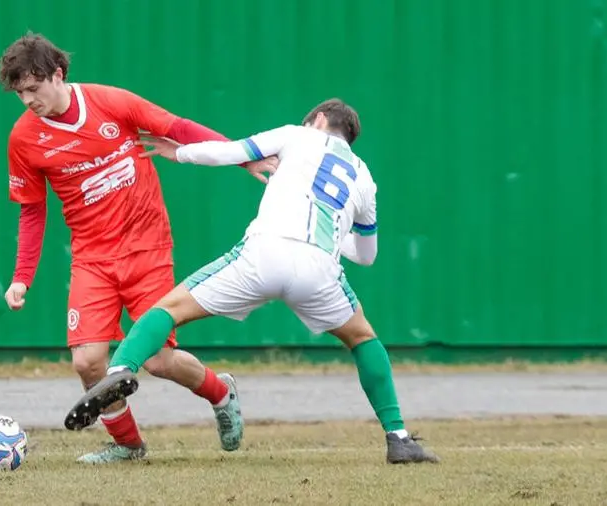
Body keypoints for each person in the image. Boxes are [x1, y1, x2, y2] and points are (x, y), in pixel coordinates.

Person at [63, 98, 440, 464]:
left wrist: (177, 152)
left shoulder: (298, 134)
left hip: (265, 253)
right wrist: (328, 228)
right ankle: (399, 439)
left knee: (168, 310)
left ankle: (117, 372)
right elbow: (367, 255)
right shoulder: (364, 177)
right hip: (319, 267)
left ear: (320, 119)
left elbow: (228, 152)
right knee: (363, 339)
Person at [0, 32, 277, 464]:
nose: (27, 100)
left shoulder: (112, 102)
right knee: (88, 363)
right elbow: (32, 211)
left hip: (147, 247)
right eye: (20, 93)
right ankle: (129, 446)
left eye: (33, 88)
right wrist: (21, 278)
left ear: (58, 73)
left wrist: (245, 156)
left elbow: (178, 129)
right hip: (91, 258)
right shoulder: (24, 139)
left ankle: (221, 393)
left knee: (160, 360)